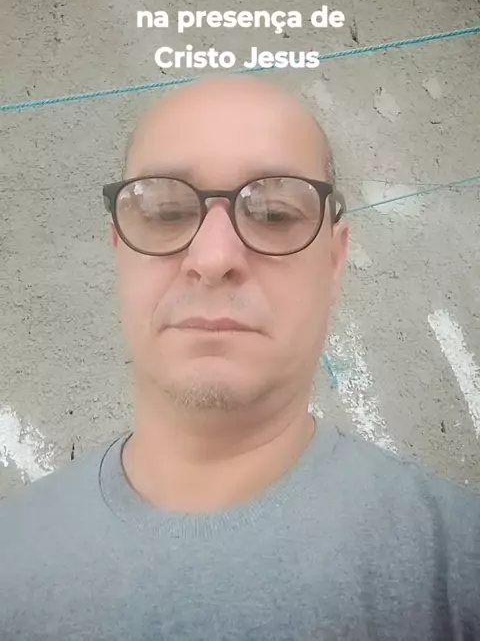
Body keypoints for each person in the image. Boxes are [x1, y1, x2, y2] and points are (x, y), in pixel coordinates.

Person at [0, 73, 479, 641]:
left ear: (334, 261)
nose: (213, 257)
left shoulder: (460, 571)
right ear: (118, 249)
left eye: (274, 213)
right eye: (164, 211)